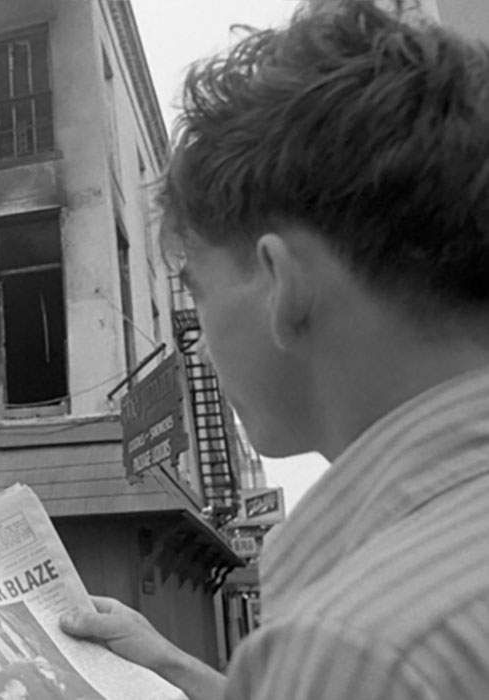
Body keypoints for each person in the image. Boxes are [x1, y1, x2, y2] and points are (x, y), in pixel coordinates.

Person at [59, 1, 489, 698]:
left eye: (195, 291)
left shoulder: (358, 648)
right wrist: (166, 662)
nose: (196, 347)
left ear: (280, 283)